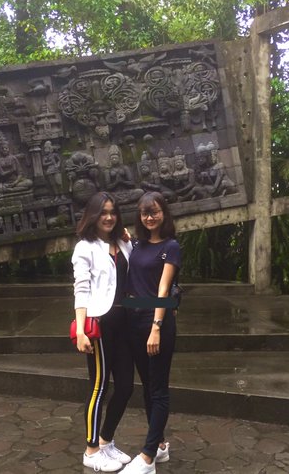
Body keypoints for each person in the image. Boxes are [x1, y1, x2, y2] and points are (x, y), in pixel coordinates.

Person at [71, 192, 135, 472]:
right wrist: (81, 330)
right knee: (99, 387)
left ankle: (106, 441)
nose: (108, 217)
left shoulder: (122, 243)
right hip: (100, 325)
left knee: (126, 386)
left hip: (125, 325)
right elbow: (81, 289)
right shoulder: (84, 248)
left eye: (113, 212)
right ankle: (91, 449)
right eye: (103, 212)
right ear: (93, 215)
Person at [121, 192, 181, 474]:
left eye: (155, 212)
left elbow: (163, 290)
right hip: (134, 321)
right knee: (147, 385)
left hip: (157, 322)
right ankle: (160, 445)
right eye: (145, 213)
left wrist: (156, 327)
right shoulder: (137, 244)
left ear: (164, 213)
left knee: (158, 389)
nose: (150, 217)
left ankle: (147, 458)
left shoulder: (171, 246)